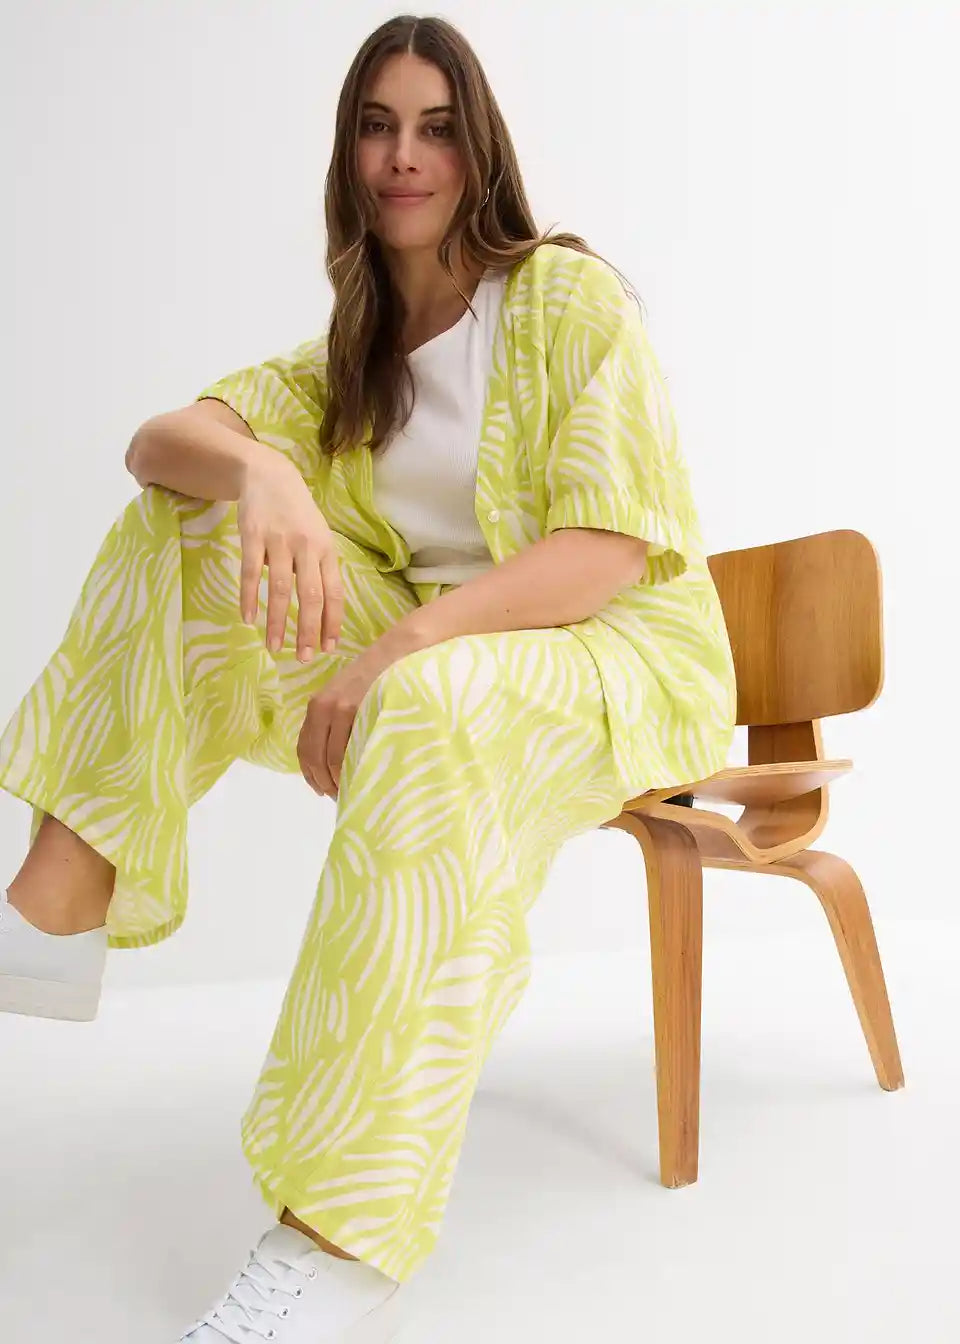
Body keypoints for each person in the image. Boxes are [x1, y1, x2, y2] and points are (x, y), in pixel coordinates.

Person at [0, 13, 737, 1343]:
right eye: (378, 126)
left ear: (478, 152)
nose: (405, 157)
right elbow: (155, 445)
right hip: (444, 663)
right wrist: (261, 470)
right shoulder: (346, 360)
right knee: (190, 518)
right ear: (347, 153)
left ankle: (341, 1233)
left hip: (613, 656)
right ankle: (54, 908)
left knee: (432, 699)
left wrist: (401, 647)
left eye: (437, 129)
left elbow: (606, 551)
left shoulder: (566, 300)